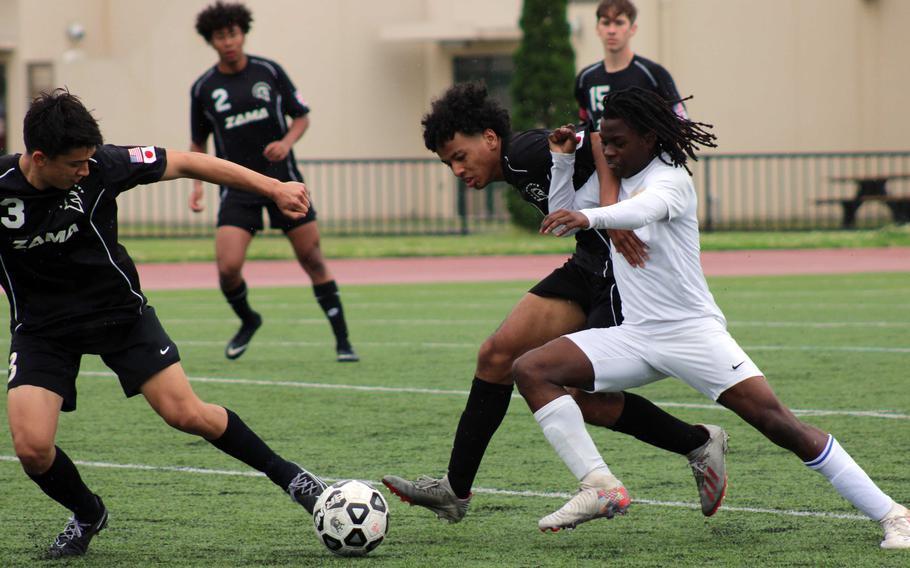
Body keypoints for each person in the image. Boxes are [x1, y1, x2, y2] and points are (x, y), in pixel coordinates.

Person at [514, 87, 910, 549]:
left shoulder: (671, 180)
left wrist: (594, 218)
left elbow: (641, 209)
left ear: (649, 136)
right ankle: (598, 483)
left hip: (692, 334)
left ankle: (894, 513)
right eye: (605, 142)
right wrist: (563, 162)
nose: (610, 151)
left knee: (781, 425)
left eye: (618, 142)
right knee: (532, 368)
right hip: (636, 335)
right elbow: (567, 211)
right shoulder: (618, 176)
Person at [382, 82, 728, 524]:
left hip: (616, 272)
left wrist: (608, 211)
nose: (456, 170)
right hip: (588, 262)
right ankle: (455, 490)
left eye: (459, 156)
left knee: (579, 393)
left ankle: (695, 443)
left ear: (489, 138)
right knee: (496, 355)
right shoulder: (515, 164)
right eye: (448, 162)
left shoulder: (522, 152)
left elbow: (600, 139)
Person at [3, 89, 327, 559]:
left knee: (187, 414)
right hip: (42, 329)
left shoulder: (105, 166)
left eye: (90, 160)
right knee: (32, 448)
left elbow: (191, 163)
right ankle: (88, 512)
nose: (85, 171)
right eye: (75, 164)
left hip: (118, 315)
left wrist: (273, 188)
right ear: (38, 157)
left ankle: (295, 479)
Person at [190, 1, 357, 362]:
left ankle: (343, 340)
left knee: (312, 258)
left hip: (284, 183)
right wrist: (198, 186)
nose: (229, 41)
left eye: (233, 33)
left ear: (243, 33)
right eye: (221, 36)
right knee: (227, 268)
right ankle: (249, 320)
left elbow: (301, 117)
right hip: (237, 188)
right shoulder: (204, 88)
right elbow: (197, 144)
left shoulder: (269, 71)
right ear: (211, 41)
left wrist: (286, 142)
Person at [575, 0, 687, 130]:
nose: (611, 30)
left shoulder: (653, 74)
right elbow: (585, 126)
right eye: (606, 23)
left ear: (632, 29)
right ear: (597, 29)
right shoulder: (586, 78)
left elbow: (682, 122)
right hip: (602, 150)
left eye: (619, 23)